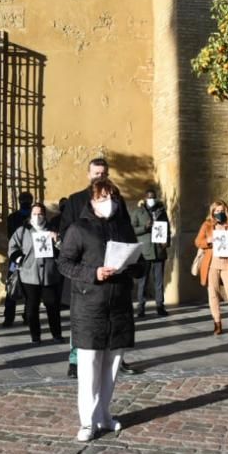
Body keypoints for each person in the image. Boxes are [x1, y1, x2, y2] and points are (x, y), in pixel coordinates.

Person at [57, 178, 142, 442]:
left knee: (112, 365)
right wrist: (93, 273)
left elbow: (141, 266)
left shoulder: (124, 228)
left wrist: (131, 265)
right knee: (89, 366)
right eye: (103, 197)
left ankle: (104, 415)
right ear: (93, 201)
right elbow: (65, 263)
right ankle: (87, 421)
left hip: (118, 306)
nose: (109, 202)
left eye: (113, 197)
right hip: (89, 306)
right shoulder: (78, 229)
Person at [58, 157, 142, 378]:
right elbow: (66, 232)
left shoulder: (117, 199)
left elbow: (124, 230)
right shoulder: (76, 201)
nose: (100, 176)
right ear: (89, 175)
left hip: (115, 276)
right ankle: (75, 361)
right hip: (87, 277)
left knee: (115, 323)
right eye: (96, 173)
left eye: (103, 173)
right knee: (84, 325)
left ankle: (118, 358)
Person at [8, 202, 65, 343]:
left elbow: (64, 250)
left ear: (44, 215)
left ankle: (56, 334)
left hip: (49, 275)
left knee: (52, 306)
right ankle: (35, 336)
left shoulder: (53, 229)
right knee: (32, 307)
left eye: (40, 213)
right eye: (35, 213)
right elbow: (12, 247)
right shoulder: (23, 230)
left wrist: (57, 241)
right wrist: (19, 258)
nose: (37, 216)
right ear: (30, 215)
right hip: (29, 275)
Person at [195, 200, 228, 336]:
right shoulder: (207, 225)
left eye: (221, 210)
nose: (219, 213)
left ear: (226, 211)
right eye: (216, 211)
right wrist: (208, 241)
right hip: (212, 264)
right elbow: (198, 242)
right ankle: (217, 323)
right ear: (212, 212)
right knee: (213, 294)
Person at [129, 189, 170, 318]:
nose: (151, 199)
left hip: (159, 251)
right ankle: (140, 307)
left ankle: (160, 306)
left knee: (159, 281)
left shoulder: (162, 212)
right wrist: (145, 228)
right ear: (145, 198)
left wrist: (166, 242)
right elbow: (132, 230)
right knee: (143, 281)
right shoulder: (138, 212)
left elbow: (167, 229)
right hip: (144, 252)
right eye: (149, 197)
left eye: (153, 197)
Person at [2, 191, 36, 327]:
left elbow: (10, 238)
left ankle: (10, 317)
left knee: (13, 286)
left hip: (17, 257)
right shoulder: (31, 217)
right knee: (24, 287)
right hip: (27, 257)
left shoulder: (12, 218)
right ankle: (26, 316)